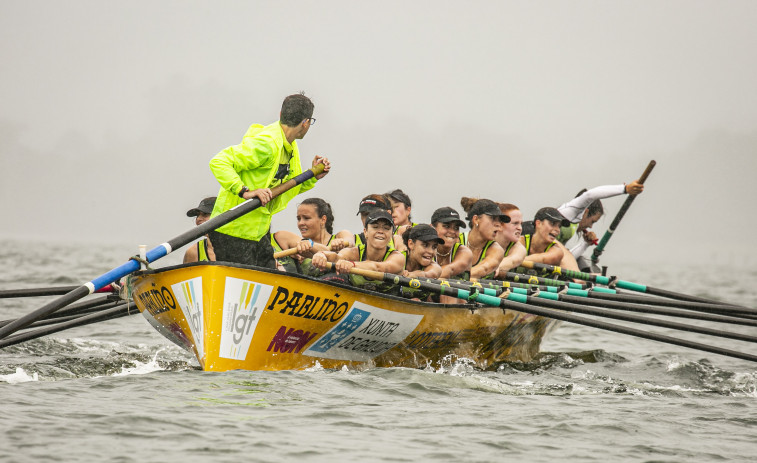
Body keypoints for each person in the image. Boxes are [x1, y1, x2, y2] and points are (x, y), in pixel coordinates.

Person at [206, 93, 330, 268]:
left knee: (270, 279)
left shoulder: (290, 146)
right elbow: (219, 161)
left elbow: (290, 186)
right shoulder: (267, 144)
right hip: (232, 230)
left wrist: (313, 178)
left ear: (281, 114)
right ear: (306, 123)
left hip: (259, 232)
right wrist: (244, 191)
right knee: (245, 287)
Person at [312, 210, 405, 292]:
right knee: (334, 277)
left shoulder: (398, 257)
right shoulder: (354, 253)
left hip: (388, 302)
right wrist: (321, 255)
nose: (380, 231)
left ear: (391, 235)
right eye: (375, 227)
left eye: (386, 228)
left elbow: (378, 268)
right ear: (365, 232)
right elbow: (336, 257)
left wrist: (352, 264)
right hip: (358, 300)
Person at [556, 180, 645, 258]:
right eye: (592, 221)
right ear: (585, 212)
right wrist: (625, 189)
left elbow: (566, 259)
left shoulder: (570, 224)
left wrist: (585, 244)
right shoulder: (570, 211)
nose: (590, 226)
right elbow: (589, 195)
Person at [270, 198, 351, 274]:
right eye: (299, 219)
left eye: (306, 218)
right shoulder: (301, 247)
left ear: (323, 220)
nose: (301, 223)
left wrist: (340, 243)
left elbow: (351, 245)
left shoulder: (341, 235)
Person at [459, 198, 508, 280]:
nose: (499, 226)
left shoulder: (496, 250)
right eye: (493, 218)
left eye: (499, 220)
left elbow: (482, 269)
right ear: (476, 219)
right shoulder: (456, 241)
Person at [397, 224, 444, 300]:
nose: (430, 251)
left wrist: (415, 274)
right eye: (425, 245)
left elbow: (431, 273)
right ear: (411, 244)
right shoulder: (398, 258)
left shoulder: (434, 267)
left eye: (434, 247)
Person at [430, 207, 473, 280]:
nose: (452, 231)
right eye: (446, 226)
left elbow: (450, 270)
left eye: (456, 228)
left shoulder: (465, 252)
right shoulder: (425, 250)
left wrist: (420, 275)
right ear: (432, 228)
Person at [493, 203, 527, 278]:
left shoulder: (518, 248)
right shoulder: (483, 241)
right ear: (499, 225)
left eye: (521, 224)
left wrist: (495, 267)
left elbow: (512, 260)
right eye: (515, 223)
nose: (520, 228)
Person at [183, 197, 217, 263]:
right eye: (198, 215)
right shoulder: (193, 252)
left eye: (205, 214)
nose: (198, 219)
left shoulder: (240, 249)